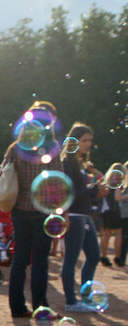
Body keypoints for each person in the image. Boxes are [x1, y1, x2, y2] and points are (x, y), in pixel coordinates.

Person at [6, 101, 63, 318]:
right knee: (40, 260)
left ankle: (17, 307)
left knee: (20, 259)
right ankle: (41, 307)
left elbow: (5, 176)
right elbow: (58, 181)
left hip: (19, 209)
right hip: (43, 210)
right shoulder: (52, 148)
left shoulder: (15, 147)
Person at [59, 123, 104, 312]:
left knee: (94, 255)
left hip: (84, 215)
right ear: (73, 142)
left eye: (90, 140)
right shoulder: (67, 164)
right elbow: (67, 192)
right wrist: (93, 189)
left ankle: (85, 299)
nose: (88, 144)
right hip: (75, 215)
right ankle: (71, 301)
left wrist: (96, 191)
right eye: (84, 140)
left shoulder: (79, 164)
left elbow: (81, 191)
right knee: (71, 257)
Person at [99, 163, 123, 267]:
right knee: (118, 234)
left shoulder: (107, 181)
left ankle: (103, 256)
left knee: (106, 235)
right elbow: (117, 198)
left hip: (106, 211)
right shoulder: (118, 181)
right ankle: (117, 257)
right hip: (115, 210)